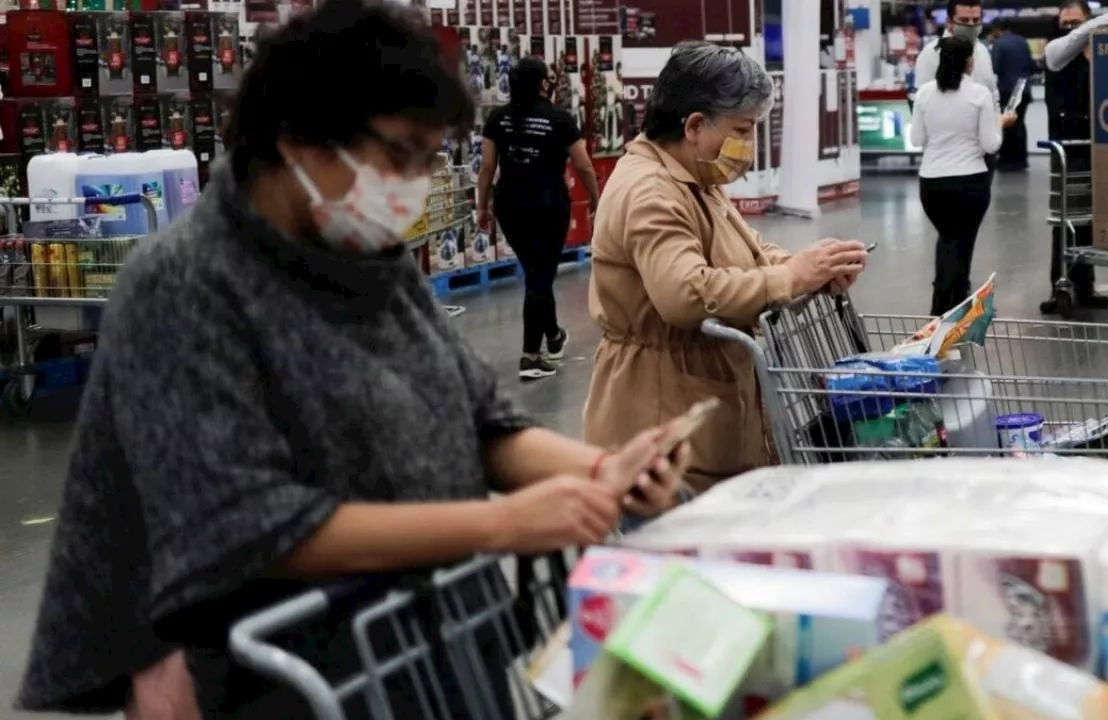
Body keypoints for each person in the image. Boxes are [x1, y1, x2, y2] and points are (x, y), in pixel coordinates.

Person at [16, 3, 688, 718]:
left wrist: (598, 473)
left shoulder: (371, 260)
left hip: (430, 644)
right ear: (295, 136)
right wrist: (502, 525)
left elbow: (483, 423)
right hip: (287, 678)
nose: (412, 184)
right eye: (399, 154)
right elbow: (248, 527)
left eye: (429, 159)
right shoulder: (184, 285)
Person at [583, 42, 870, 493]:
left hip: (708, 414)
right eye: (744, 129)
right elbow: (684, 294)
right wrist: (790, 277)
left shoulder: (694, 177)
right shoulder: (652, 192)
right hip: (663, 422)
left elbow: (747, 251)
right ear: (695, 125)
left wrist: (809, 268)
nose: (749, 145)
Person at [476, 56, 599, 381]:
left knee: (536, 272)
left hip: (510, 205)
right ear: (542, 83)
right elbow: (584, 165)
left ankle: (554, 335)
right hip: (548, 204)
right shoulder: (559, 118)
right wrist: (597, 201)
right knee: (540, 276)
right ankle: (530, 356)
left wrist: (481, 207)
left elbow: (487, 167)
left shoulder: (497, 118)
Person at [1038, 1, 1108, 315]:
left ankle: (1086, 285)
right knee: (1066, 220)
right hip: (1068, 148)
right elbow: (1075, 38)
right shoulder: (1057, 51)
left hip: (1103, 146)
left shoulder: (1105, 52)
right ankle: (1061, 286)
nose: (1069, 28)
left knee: (1091, 218)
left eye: (1075, 22)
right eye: (1065, 22)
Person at [910, 37, 1017, 316]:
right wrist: (1001, 123)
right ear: (970, 62)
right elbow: (990, 144)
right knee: (961, 244)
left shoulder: (923, 94)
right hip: (969, 181)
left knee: (948, 241)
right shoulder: (979, 94)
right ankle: (947, 314)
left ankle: (947, 310)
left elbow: (916, 138)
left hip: (931, 183)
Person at [913, 0, 999, 177]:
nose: (971, 25)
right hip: (944, 155)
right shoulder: (931, 54)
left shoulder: (982, 51)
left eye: (976, 20)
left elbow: (992, 94)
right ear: (949, 22)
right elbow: (920, 102)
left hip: (981, 154)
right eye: (964, 20)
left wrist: (996, 129)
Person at [987, 18, 1034, 171]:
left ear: (995, 30)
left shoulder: (999, 44)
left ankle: (1007, 160)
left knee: (1007, 124)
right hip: (1024, 89)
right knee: (1020, 124)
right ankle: (1022, 159)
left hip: (1008, 90)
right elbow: (1031, 64)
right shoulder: (1022, 41)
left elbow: (994, 67)